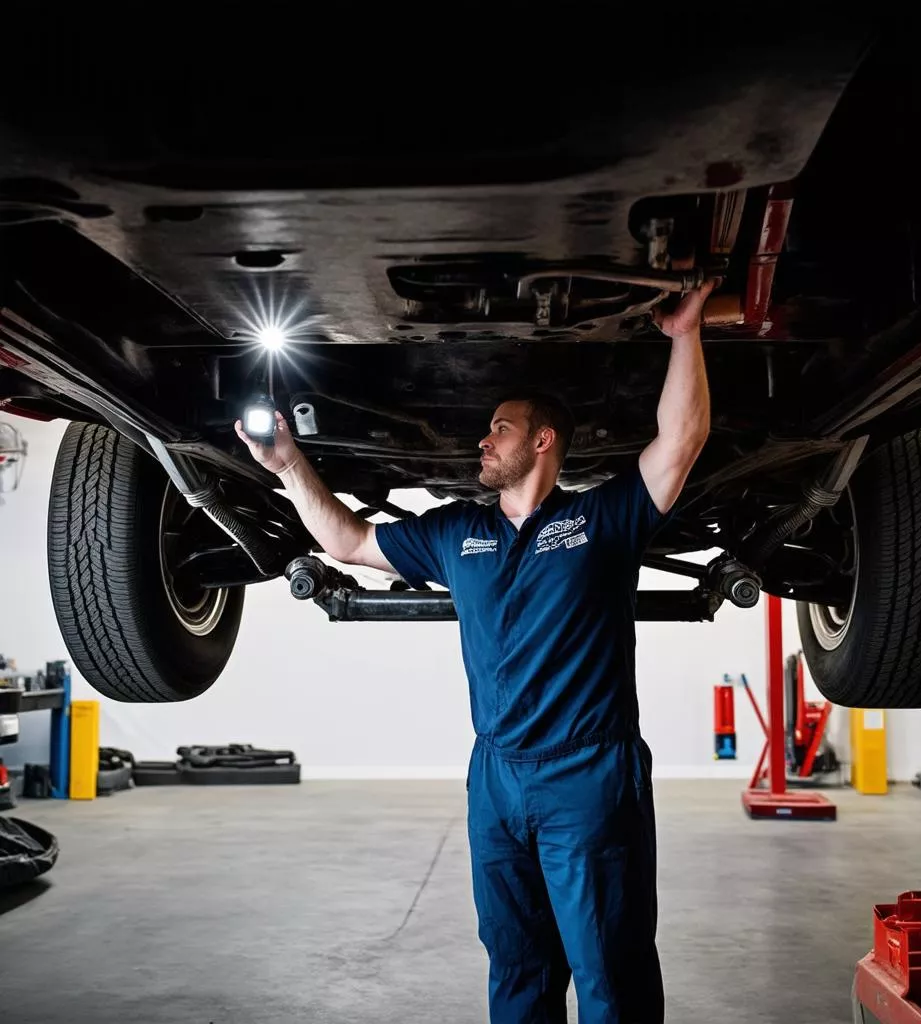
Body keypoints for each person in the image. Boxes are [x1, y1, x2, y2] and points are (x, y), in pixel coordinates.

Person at [236, 283, 713, 1023]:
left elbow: (678, 443)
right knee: (517, 966)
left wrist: (685, 335)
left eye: (501, 428)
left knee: (608, 974)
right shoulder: (458, 532)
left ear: (543, 440)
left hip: (586, 775)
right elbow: (349, 542)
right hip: (495, 780)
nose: (483, 441)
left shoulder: (599, 520)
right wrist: (288, 465)